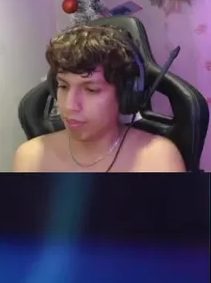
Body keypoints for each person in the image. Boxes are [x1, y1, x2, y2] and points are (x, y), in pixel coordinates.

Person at [13, 24, 185, 172]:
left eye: (91, 90)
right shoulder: (31, 157)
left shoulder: (159, 159)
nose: (70, 106)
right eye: (63, 86)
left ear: (125, 94)